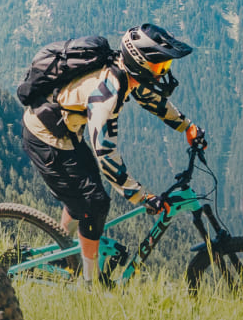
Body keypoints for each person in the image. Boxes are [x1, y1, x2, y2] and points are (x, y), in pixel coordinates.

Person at [21, 23, 206, 284]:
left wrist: (186, 126)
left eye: (165, 67)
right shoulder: (106, 96)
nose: (163, 72)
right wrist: (142, 197)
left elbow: (151, 98)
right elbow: (105, 154)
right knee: (94, 203)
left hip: (65, 134)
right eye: (159, 67)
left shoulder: (124, 72)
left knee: (85, 194)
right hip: (46, 138)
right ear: (140, 63)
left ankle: (62, 251)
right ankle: (90, 283)